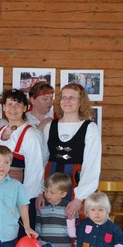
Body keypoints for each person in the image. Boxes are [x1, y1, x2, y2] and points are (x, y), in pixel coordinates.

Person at [0, 89, 44, 247]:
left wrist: (22, 200)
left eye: (17, 104)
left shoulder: (30, 134)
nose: (13, 108)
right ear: (3, 108)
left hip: (18, 198)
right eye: (9, 104)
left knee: (18, 238)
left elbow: (35, 170)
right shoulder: (0, 131)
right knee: (1, 240)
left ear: (25, 108)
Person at [40, 82, 101, 219]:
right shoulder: (50, 126)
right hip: (51, 186)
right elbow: (42, 159)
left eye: (72, 98)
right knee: (52, 225)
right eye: (64, 97)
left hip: (76, 182)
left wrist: (79, 198)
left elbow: (92, 165)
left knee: (75, 225)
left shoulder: (89, 128)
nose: (67, 101)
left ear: (81, 102)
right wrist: (40, 191)